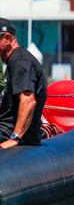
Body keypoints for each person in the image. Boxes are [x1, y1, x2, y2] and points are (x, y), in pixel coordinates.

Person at [0, 18, 48, 148]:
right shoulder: (13, 62)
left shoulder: (20, 62)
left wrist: (15, 138)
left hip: (10, 133)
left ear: (7, 38)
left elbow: (28, 101)